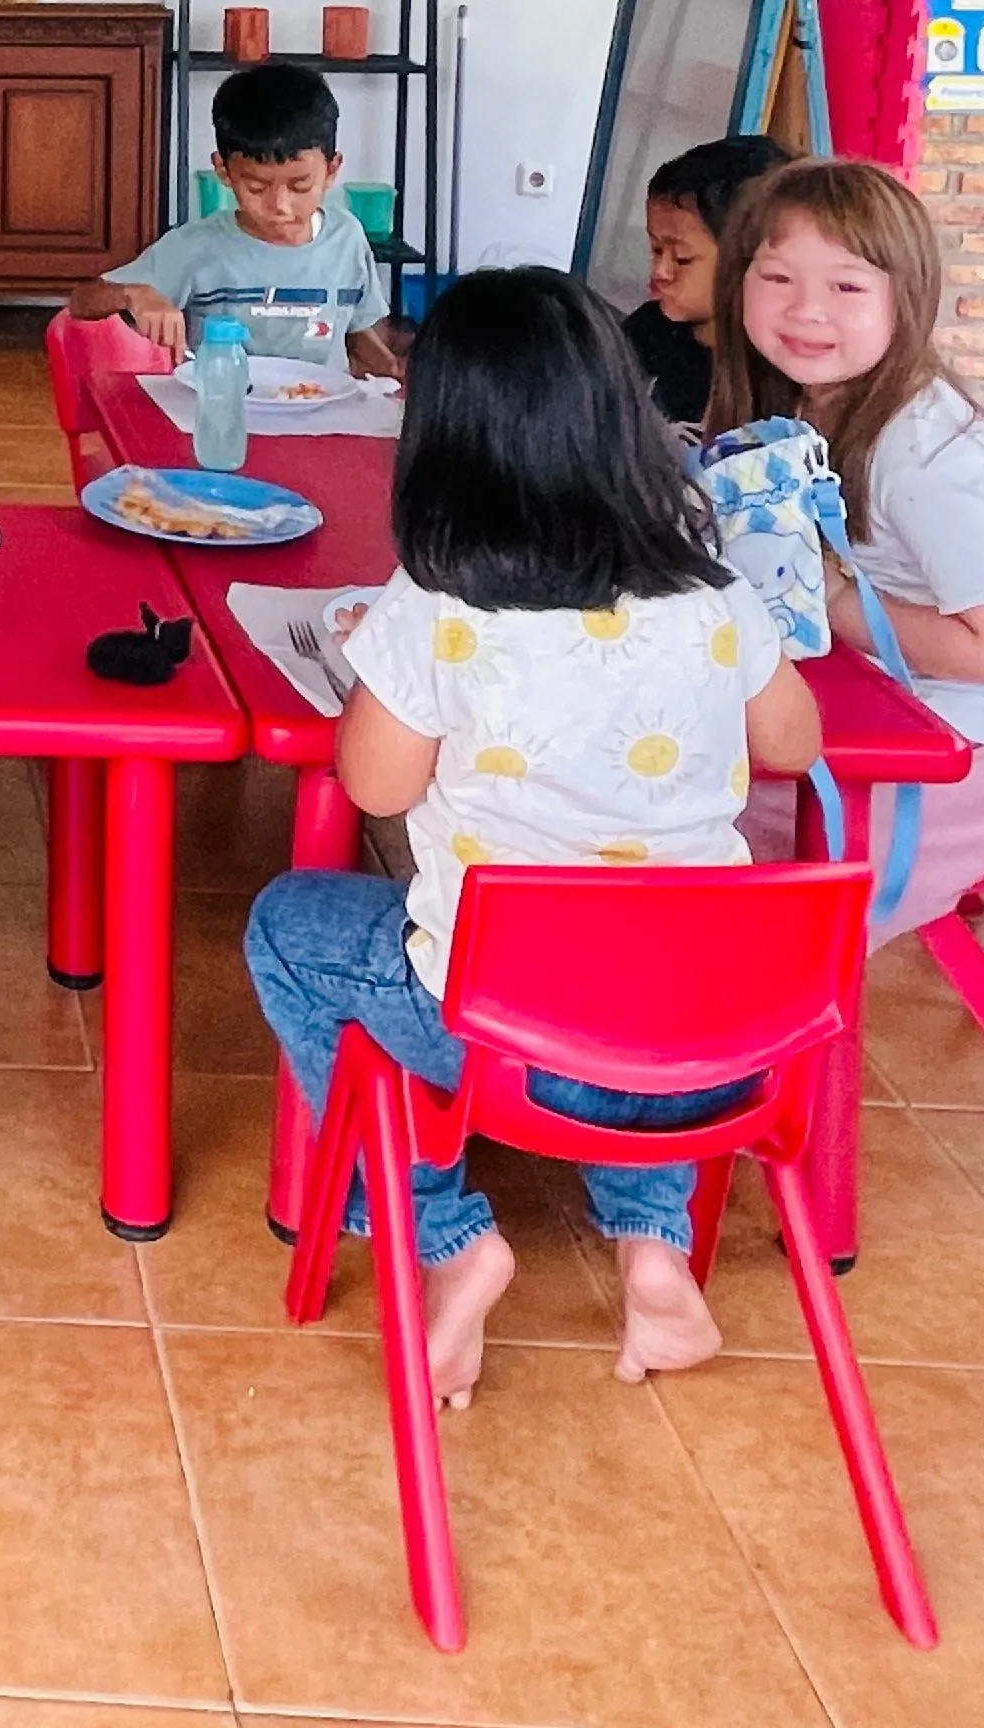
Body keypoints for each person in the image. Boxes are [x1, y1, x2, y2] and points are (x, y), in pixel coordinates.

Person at [244, 267, 824, 1408]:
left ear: (443, 433)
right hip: (714, 1039)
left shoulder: (442, 603)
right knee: (642, 981)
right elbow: (795, 744)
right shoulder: (710, 591)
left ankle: (448, 1232)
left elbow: (370, 785)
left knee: (289, 929)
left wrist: (390, 674)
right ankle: (653, 1248)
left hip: (502, 1032)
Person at [709, 157, 984, 941]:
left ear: (910, 299)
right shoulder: (806, 407)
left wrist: (833, 605)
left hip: (930, 777)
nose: (806, 311)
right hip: (852, 729)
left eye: (847, 287)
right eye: (776, 278)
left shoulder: (928, 456)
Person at [69, 62, 400, 377]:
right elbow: (82, 301)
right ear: (223, 171)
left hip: (321, 414)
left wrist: (392, 370)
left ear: (332, 170)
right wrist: (132, 294)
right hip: (224, 413)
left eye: (300, 185)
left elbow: (358, 329)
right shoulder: (195, 246)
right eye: (256, 187)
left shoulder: (346, 237)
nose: (280, 206)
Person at [626, 132, 793, 424]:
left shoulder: (778, 372)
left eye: (682, 258)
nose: (660, 272)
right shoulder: (648, 331)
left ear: (749, 260)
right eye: (655, 249)